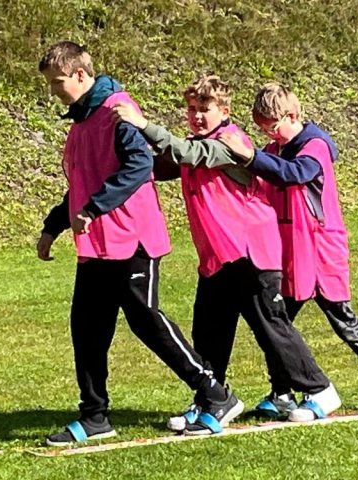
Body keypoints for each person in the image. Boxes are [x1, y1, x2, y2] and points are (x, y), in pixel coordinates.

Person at [36, 42, 243, 444]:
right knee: (86, 327)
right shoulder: (81, 121)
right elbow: (84, 181)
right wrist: (54, 225)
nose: (54, 90)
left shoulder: (117, 110)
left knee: (146, 320)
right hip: (97, 245)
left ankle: (215, 393)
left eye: (58, 82)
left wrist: (94, 208)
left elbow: (139, 164)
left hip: (132, 238)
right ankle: (95, 416)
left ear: (80, 75)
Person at [111, 75, 341, 431]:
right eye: (191, 109)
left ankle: (320, 391)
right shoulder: (198, 144)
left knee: (270, 327)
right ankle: (212, 399)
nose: (196, 116)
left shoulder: (229, 143)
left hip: (250, 253)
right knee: (208, 330)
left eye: (205, 109)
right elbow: (163, 162)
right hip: (218, 258)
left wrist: (142, 124)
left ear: (224, 111)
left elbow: (187, 154)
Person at [211, 82, 358, 415]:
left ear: (292, 116)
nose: (269, 135)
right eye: (263, 129)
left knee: (343, 320)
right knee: (277, 324)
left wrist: (250, 157)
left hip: (321, 251)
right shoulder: (276, 148)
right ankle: (281, 393)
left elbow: (294, 174)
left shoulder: (315, 146)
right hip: (290, 251)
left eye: (273, 127)